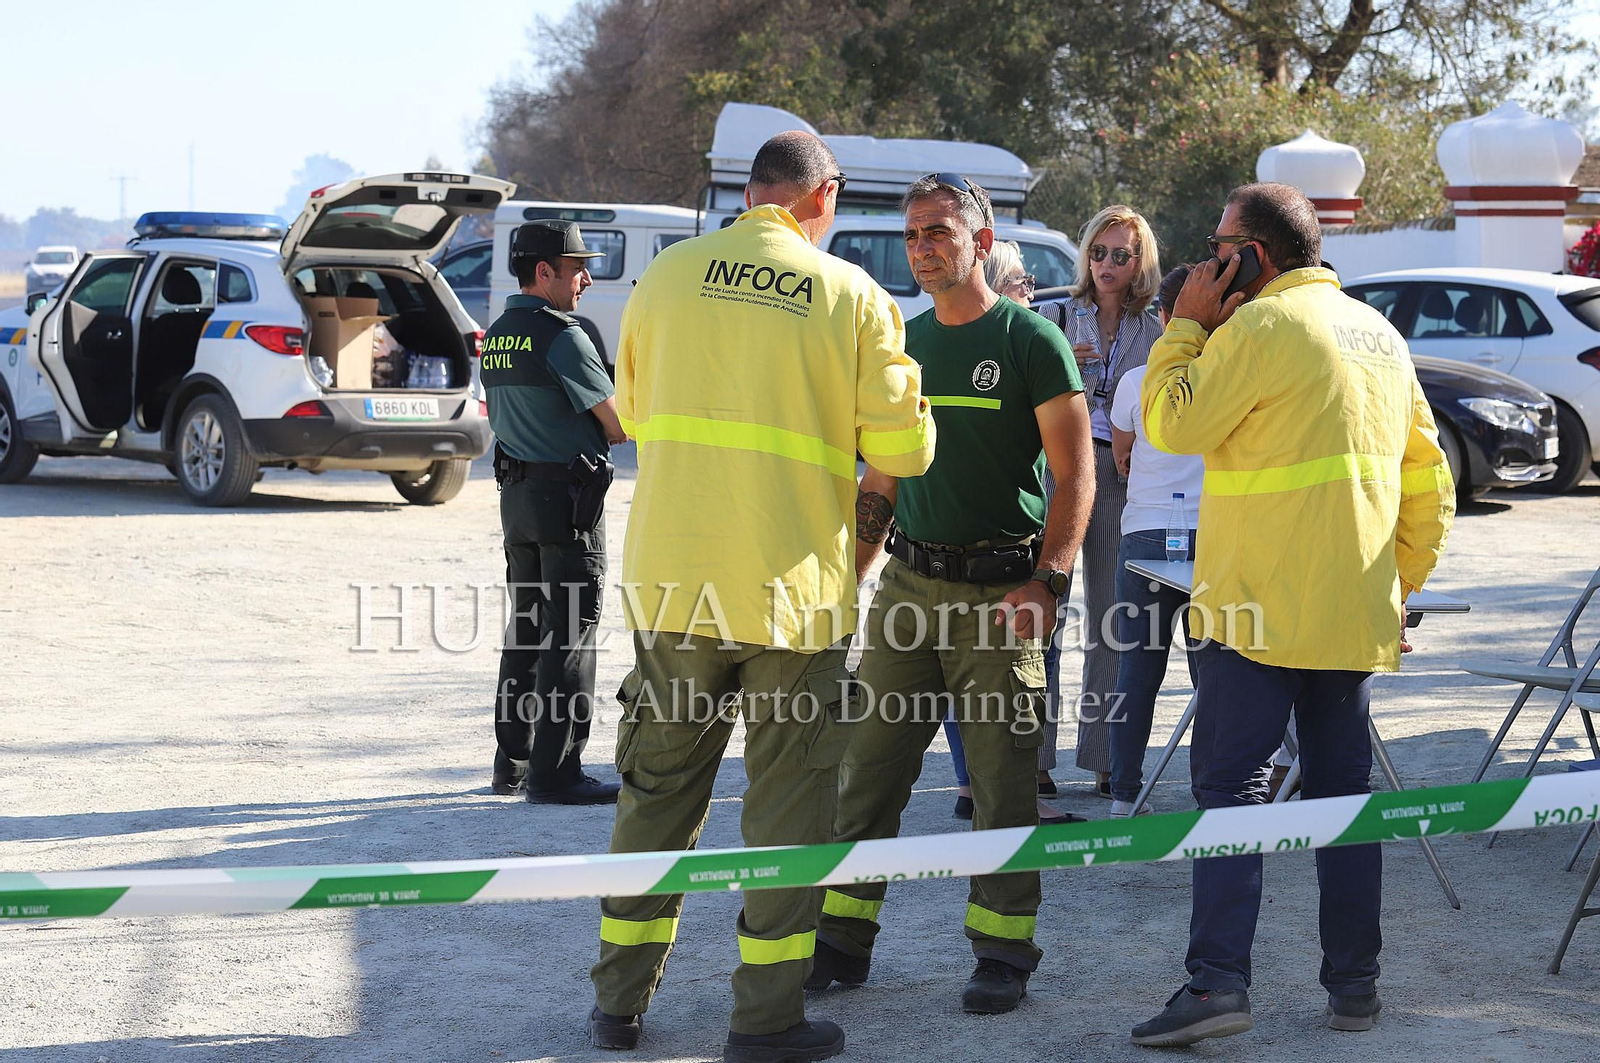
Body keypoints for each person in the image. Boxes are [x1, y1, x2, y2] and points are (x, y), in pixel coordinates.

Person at [588, 131, 936, 1062]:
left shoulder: (665, 277)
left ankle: (618, 1004)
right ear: (825, 196)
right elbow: (903, 454)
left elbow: (639, 413)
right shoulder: (851, 296)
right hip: (793, 594)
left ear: (752, 194)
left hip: (676, 579)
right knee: (788, 807)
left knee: (656, 792)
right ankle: (765, 1020)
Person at [1131, 183, 1455, 1046]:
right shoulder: (1381, 334)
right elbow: (1432, 485)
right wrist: (1398, 587)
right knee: (1345, 800)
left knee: (1233, 794)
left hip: (1251, 614)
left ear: (1256, 256)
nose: (1207, 261)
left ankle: (1216, 987)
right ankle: (1356, 985)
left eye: (1219, 246)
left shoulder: (1258, 327)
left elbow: (1171, 420)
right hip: (1348, 613)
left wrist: (1185, 325)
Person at [808, 174, 1094, 1015]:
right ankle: (842, 943)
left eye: (938, 230)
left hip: (1003, 590)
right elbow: (883, 477)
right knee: (869, 772)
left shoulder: (1034, 339)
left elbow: (1077, 474)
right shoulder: (904, 343)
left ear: (982, 235)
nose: (924, 246)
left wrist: (1050, 580)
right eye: (913, 235)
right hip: (907, 584)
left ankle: (1003, 952)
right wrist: (846, 583)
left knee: (1002, 785)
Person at [484, 220, 627, 805]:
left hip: (517, 500)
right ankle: (557, 771)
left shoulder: (499, 333)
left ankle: (511, 761)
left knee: (526, 629)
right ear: (544, 272)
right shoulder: (562, 336)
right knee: (570, 633)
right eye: (575, 269)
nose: (585, 278)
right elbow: (617, 425)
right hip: (567, 504)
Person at [944, 237, 1070, 825]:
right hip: (984, 561)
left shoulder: (1031, 341)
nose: (1031, 289)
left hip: (1007, 560)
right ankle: (981, 785)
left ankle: (974, 785)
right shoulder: (1018, 343)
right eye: (1021, 278)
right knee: (991, 681)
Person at [1063, 206, 1165, 799]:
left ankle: (1104, 759)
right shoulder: (1055, 315)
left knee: (1111, 620)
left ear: (1140, 261)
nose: (1106, 264)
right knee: (1040, 619)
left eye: (1120, 255)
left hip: (1120, 471)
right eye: (1097, 252)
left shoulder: (1155, 331)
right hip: (1061, 465)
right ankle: (1033, 763)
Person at [1105, 265, 1204, 817]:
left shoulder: (1135, 380)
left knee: (1136, 670)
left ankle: (1124, 795)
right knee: (1210, 672)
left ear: (1163, 315)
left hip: (1144, 530)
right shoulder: (1226, 377)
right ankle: (1211, 792)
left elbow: (1122, 456)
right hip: (1210, 533)